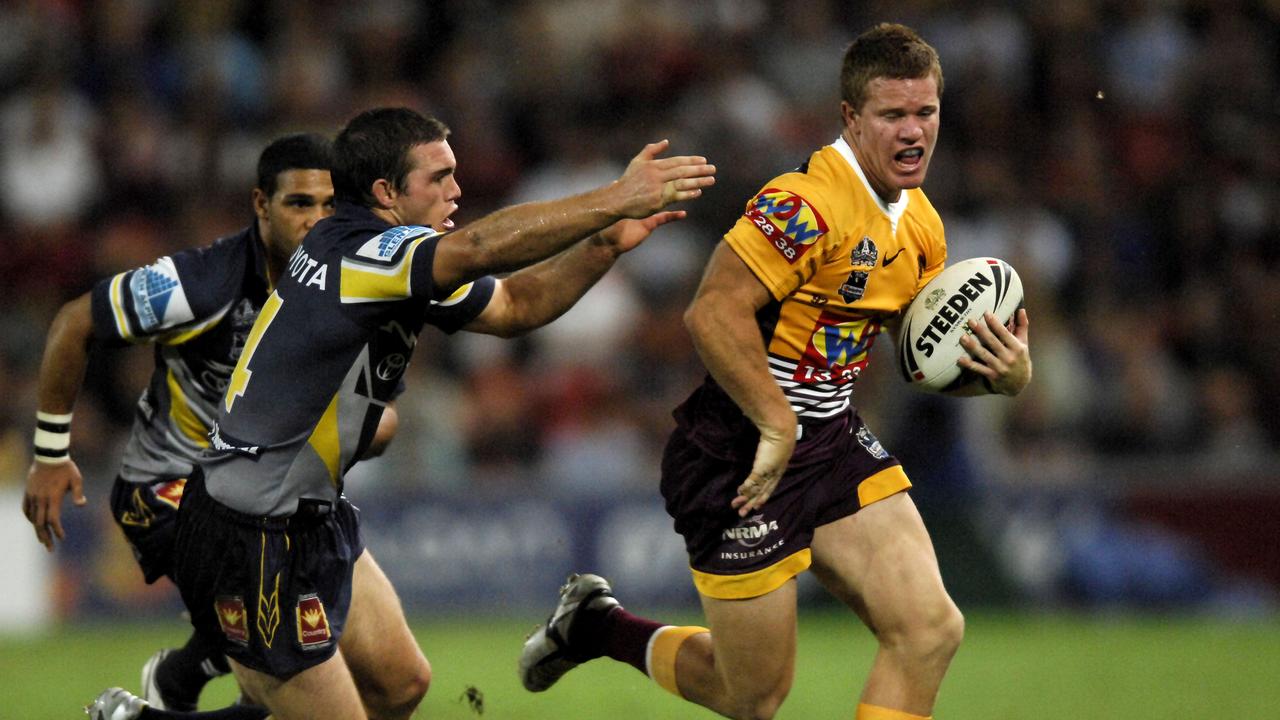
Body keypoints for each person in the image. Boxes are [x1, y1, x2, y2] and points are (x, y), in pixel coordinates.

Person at [90, 106, 715, 720]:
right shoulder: (365, 255)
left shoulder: (397, 261)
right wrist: (613, 197)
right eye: (438, 177)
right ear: (387, 191)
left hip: (313, 515)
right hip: (250, 531)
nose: (457, 188)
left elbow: (517, 305)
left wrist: (603, 244)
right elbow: (476, 248)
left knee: (400, 685)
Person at [519, 23, 1032, 720]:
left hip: (825, 442)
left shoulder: (922, 226)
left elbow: (922, 355)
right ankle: (596, 625)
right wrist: (775, 419)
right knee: (752, 696)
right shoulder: (804, 202)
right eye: (893, 115)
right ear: (851, 118)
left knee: (931, 630)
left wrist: (1002, 373)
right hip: (738, 450)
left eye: (926, 112)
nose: (914, 132)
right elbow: (711, 313)